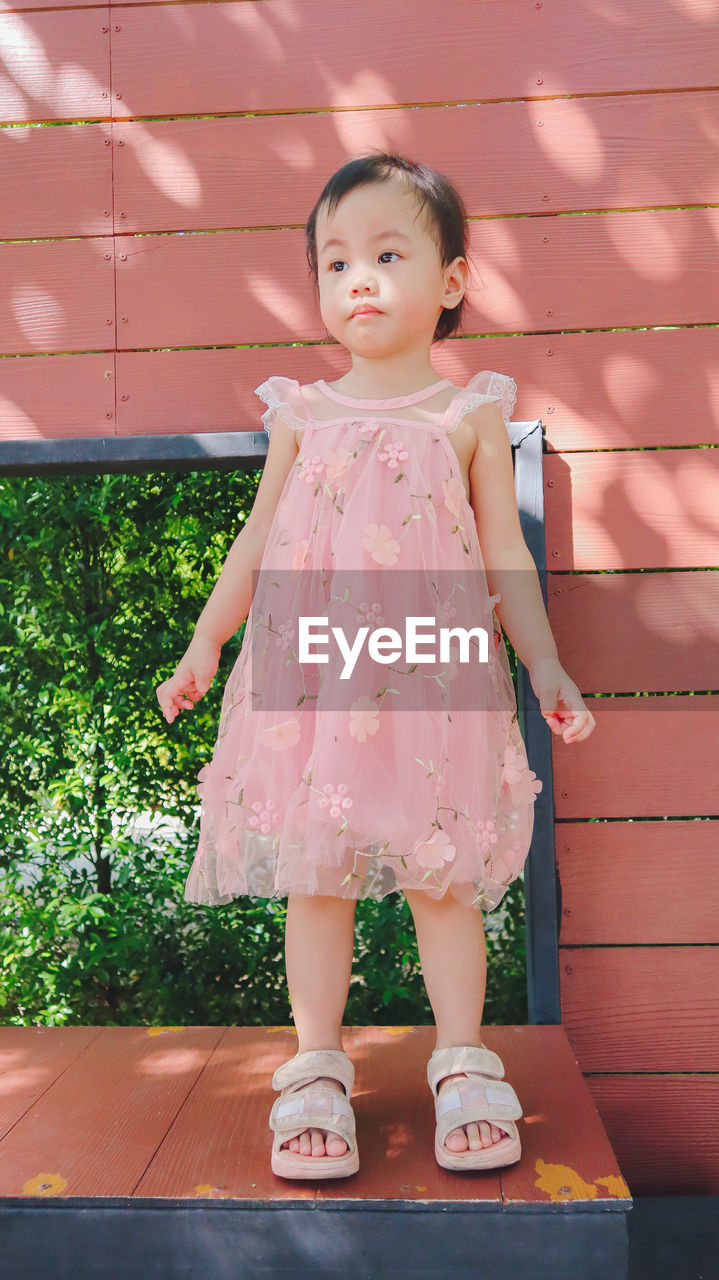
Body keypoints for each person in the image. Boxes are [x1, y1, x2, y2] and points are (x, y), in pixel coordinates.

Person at [156, 151, 596, 1180]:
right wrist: (204, 642)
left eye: (386, 253)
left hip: (431, 686)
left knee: (441, 881)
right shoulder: (301, 415)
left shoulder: (466, 413)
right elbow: (254, 545)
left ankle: (459, 1058)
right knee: (319, 875)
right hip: (314, 683)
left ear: (448, 281)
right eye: (335, 259)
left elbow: (504, 562)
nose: (357, 278)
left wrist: (543, 665)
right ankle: (314, 1065)